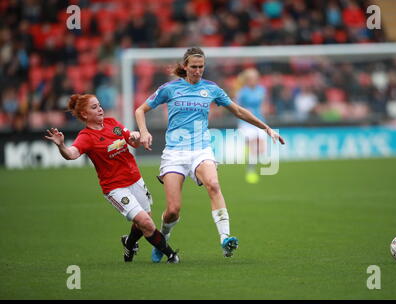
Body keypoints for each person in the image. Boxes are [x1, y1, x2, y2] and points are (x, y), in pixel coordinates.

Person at [135, 47, 285, 263]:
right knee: (172, 211)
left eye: (201, 67)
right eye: (194, 67)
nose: (198, 71)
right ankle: (162, 240)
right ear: (185, 67)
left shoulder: (211, 89)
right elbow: (140, 110)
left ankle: (225, 239)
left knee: (213, 185)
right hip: (174, 153)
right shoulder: (169, 89)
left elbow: (239, 111)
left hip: (201, 149)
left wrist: (266, 128)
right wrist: (144, 131)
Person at [44, 94, 179, 263]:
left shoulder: (112, 123)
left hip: (135, 179)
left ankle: (129, 243)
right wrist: (61, 146)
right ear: (85, 115)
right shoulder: (86, 137)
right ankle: (171, 255)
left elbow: (132, 141)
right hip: (115, 188)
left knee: (143, 220)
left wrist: (136, 137)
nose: (100, 109)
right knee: (146, 222)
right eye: (94, 107)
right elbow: (71, 154)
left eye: (99, 105)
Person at [235, 68, 268, 184]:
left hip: (260, 120)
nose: (254, 80)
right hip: (247, 122)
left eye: (255, 78)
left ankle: (248, 152)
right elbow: (236, 107)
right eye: (251, 78)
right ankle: (250, 171)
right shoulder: (242, 92)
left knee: (262, 150)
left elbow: (264, 103)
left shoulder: (262, 90)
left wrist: (265, 109)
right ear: (247, 80)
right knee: (254, 145)